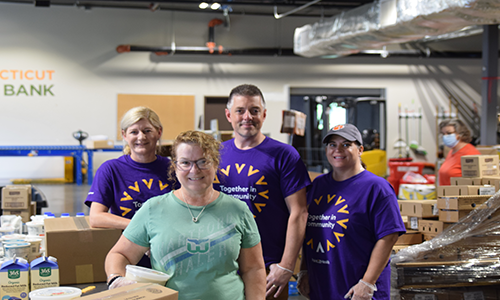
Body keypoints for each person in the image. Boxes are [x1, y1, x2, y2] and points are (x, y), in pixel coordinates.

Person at [105, 130, 266, 300]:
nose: (194, 170)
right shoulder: (153, 209)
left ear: (216, 164)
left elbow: (253, 269)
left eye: (203, 161)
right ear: (174, 167)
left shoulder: (238, 210)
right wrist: (115, 278)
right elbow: (120, 254)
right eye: (185, 163)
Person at [213, 84, 310, 299]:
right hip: (220, 265)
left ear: (264, 115)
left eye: (254, 110)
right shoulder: (215, 154)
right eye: (240, 110)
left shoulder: (284, 155)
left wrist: (286, 265)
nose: (247, 116)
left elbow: (299, 212)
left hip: (267, 268)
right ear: (229, 115)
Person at [297, 124, 405, 300]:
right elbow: (309, 233)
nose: (337, 150)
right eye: (332, 144)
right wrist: (304, 269)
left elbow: (388, 237)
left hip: (358, 290)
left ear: (360, 149)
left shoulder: (377, 188)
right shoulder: (318, 185)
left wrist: (367, 282)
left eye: (346, 144)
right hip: (323, 286)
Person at [85, 106, 175, 266]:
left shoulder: (173, 169)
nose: (141, 137)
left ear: (159, 132)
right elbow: (96, 217)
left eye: (147, 130)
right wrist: (141, 229)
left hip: (169, 253)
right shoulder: (110, 170)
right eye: (134, 132)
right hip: (127, 256)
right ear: (124, 135)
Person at [438, 119, 480, 185]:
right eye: (443, 134)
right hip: (446, 194)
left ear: (460, 134)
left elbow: (474, 182)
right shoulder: (452, 152)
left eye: (449, 133)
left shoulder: (470, 153)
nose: (445, 136)